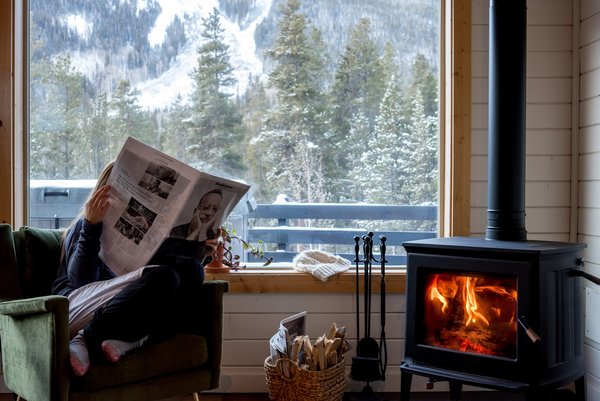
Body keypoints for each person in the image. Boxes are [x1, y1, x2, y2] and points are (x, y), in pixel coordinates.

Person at [51, 162, 218, 376]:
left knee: (193, 270)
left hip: (121, 305)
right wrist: (91, 226)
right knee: (164, 276)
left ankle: (131, 339)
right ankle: (86, 337)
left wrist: (201, 251)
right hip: (76, 305)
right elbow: (81, 283)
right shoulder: (83, 227)